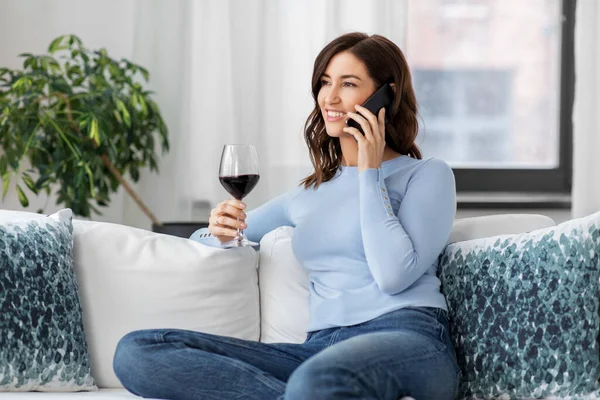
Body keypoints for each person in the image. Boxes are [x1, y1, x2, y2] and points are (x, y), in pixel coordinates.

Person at [113, 32, 460, 400]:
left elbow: (392, 276)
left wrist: (368, 171)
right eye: (325, 83)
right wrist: (219, 231)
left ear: (385, 95)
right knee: (136, 351)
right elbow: (206, 241)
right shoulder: (306, 194)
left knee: (317, 380)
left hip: (409, 338)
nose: (331, 97)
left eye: (349, 84)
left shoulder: (428, 176)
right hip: (318, 348)